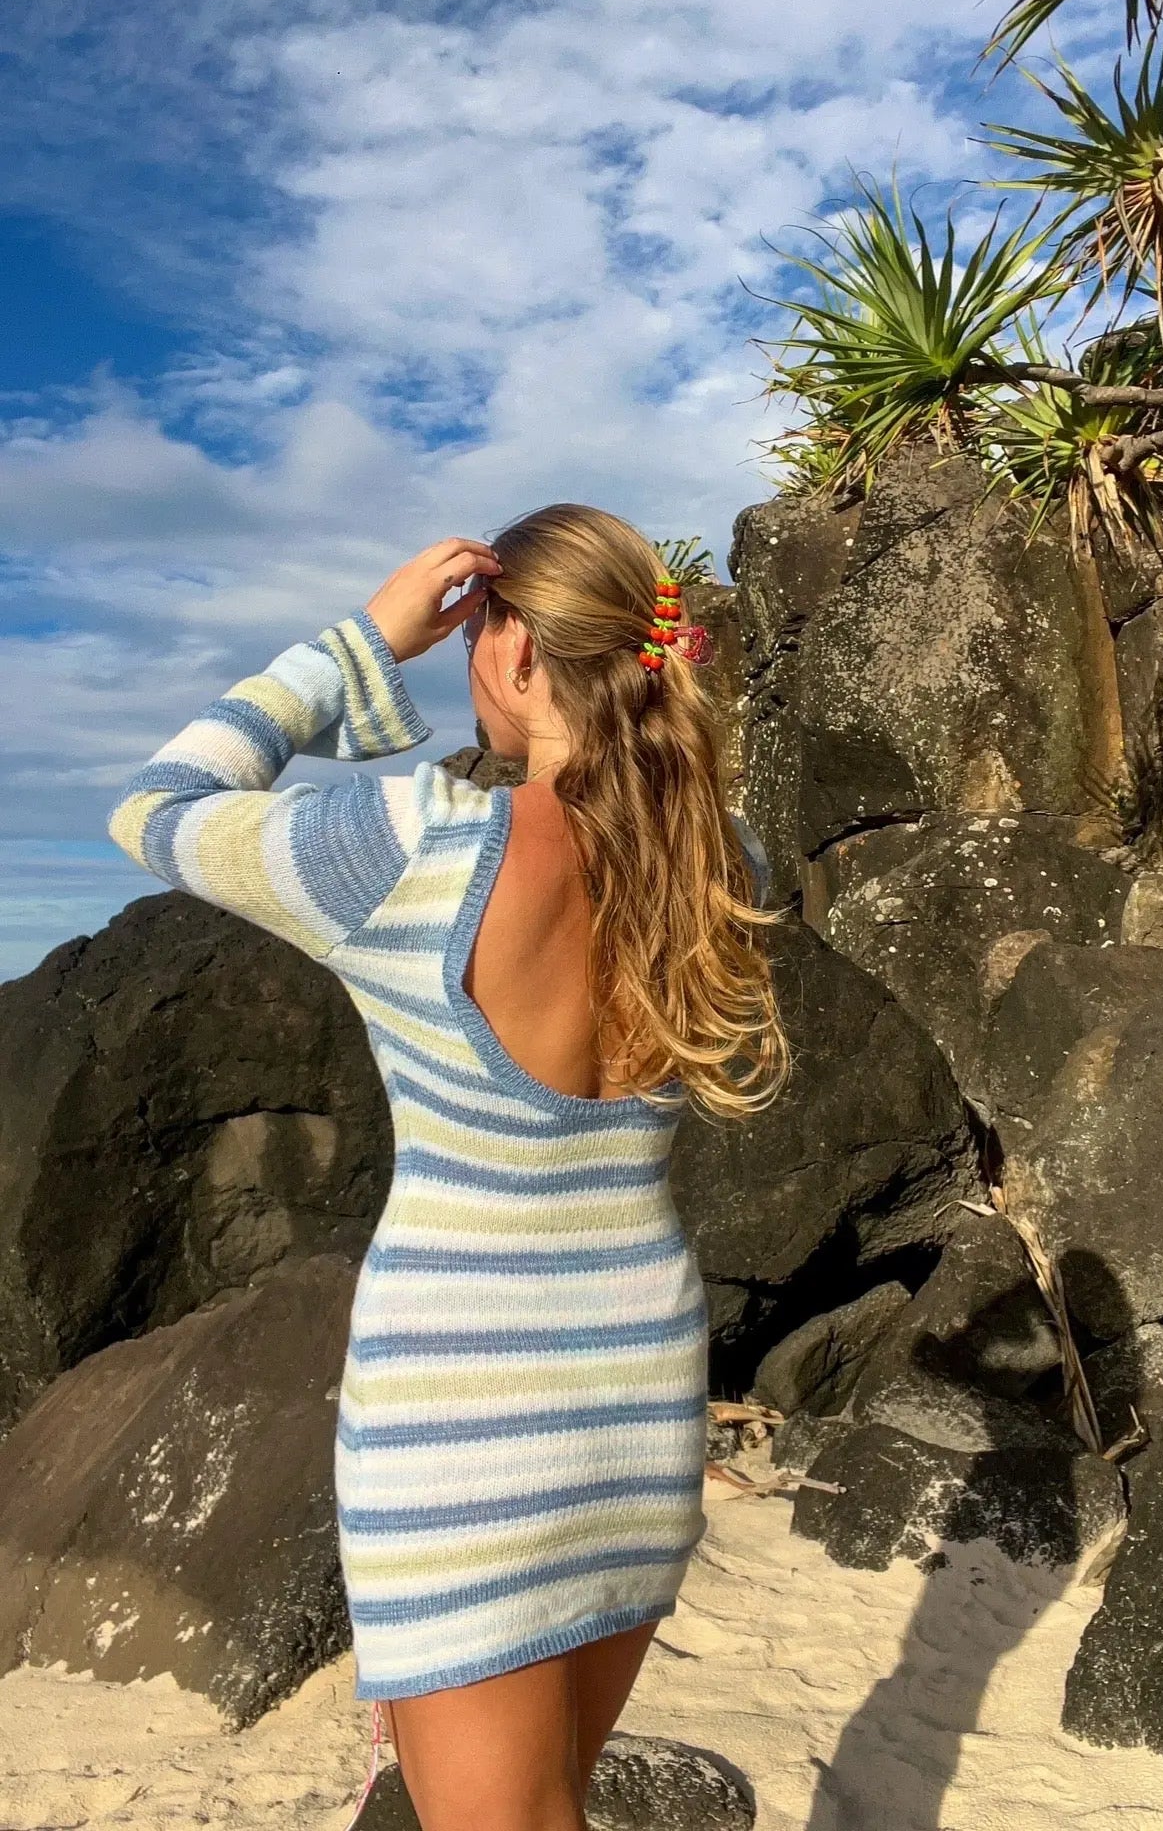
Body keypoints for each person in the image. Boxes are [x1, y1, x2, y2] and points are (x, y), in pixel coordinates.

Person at [107, 503, 790, 1831]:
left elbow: (156, 806)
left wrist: (363, 643)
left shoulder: (405, 849)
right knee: (549, 1799)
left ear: (520, 652)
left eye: (477, 636)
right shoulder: (723, 864)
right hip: (639, 1394)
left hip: (461, 1421)